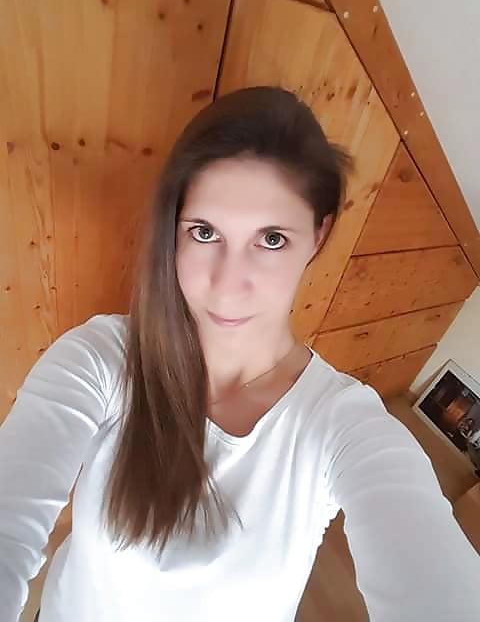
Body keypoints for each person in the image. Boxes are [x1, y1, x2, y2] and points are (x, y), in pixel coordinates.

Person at [0, 86, 479, 622]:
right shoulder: (101, 359)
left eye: (271, 239)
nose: (229, 284)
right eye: (204, 232)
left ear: (318, 235)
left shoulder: (342, 425)